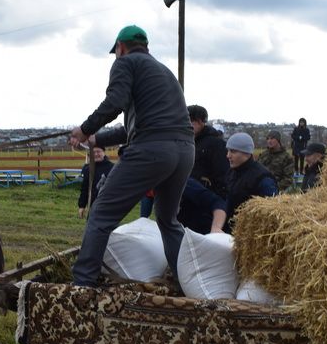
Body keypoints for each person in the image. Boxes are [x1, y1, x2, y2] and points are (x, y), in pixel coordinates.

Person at [68, 24, 194, 287]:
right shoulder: (165, 72)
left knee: (100, 214)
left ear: (120, 47)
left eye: (115, 51)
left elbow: (115, 102)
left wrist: (84, 129)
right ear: (145, 46)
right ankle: (187, 283)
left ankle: (81, 286)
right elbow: (137, 125)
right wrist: (96, 139)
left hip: (151, 150)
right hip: (184, 151)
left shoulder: (125, 64)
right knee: (169, 221)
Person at [224, 132, 278, 223]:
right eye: (228, 151)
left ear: (246, 153)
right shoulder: (232, 172)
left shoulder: (263, 178)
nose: (228, 155)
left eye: (233, 151)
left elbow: (272, 211)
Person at [187, 105, 228, 198]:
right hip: (186, 196)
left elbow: (223, 174)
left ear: (200, 122)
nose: (186, 125)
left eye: (190, 121)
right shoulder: (187, 142)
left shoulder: (216, 143)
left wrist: (218, 202)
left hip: (206, 197)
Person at [77, 146, 114, 218]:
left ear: (104, 152)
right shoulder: (88, 169)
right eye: (93, 152)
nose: (96, 154)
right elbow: (84, 188)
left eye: (98, 151)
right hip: (93, 206)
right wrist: (82, 206)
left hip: (109, 206)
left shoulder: (112, 168)